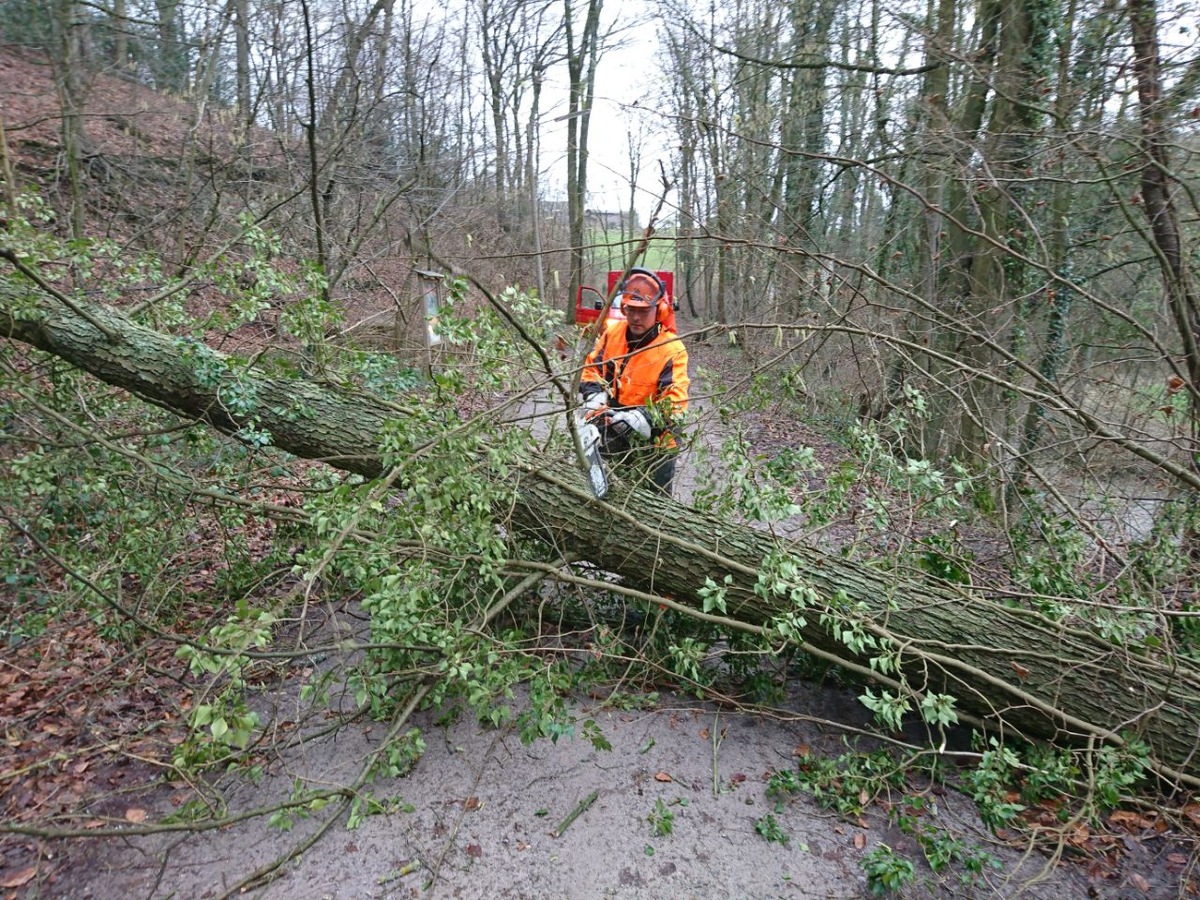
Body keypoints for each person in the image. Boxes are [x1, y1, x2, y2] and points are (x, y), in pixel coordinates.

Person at [578, 268, 690, 495]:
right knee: (611, 490)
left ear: (658, 310)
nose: (636, 317)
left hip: (656, 435)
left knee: (654, 498)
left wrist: (643, 417)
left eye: (644, 311)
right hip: (614, 425)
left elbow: (676, 404)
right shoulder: (613, 333)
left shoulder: (671, 349)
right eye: (631, 310)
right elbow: (591, 369)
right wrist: (594, 396)